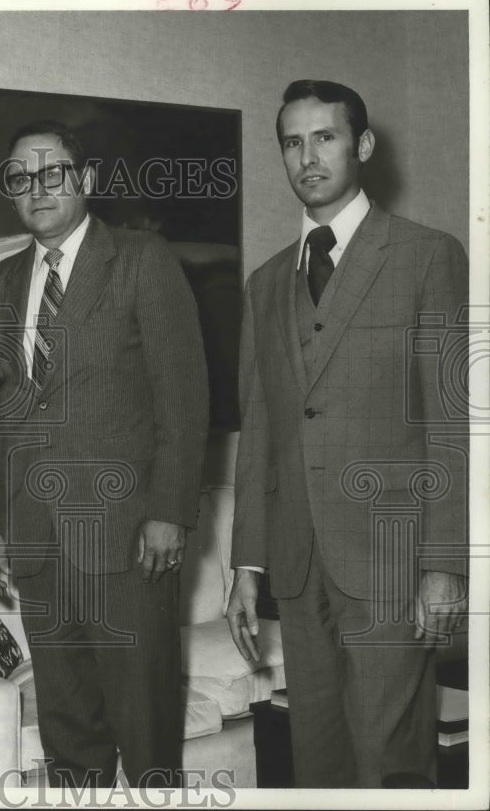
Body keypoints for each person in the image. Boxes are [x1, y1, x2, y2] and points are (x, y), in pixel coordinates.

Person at [226, 79, 469, 788]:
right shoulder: (267, 282)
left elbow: (453, 421)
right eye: (293, 142)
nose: (308, 155)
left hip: (392, 562)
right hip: (300, 568)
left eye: (324, 136)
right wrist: (248, 563)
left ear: (361, 145)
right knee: (319, 764)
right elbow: (262, 428)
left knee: (389, 762)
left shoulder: (427, 255)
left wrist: (446, 561)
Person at [0, 121, 208, 788]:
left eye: (52, 173)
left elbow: (183, 398)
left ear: (85, 181)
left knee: (145, 728)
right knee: (69, 728)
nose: (35, 188)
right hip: (39, 540)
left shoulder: (141, 260)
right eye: (21, 178)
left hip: (128, 538)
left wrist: (170, 510)